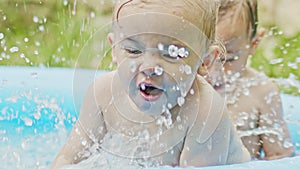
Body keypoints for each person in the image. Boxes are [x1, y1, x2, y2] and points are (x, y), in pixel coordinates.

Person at [50, 0, 251, 168]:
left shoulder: (206, 113)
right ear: (114, 49)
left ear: (205, 61)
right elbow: (67, 159)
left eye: (170, 54)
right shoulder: (102, 94)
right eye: (133, 51)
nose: (149, 67)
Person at [206, 0, 295, 160]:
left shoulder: (261, 92)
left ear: (254, 43)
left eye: (229, 59)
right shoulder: (182, 89)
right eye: (202, 58)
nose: (213, 72)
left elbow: (280, 156)